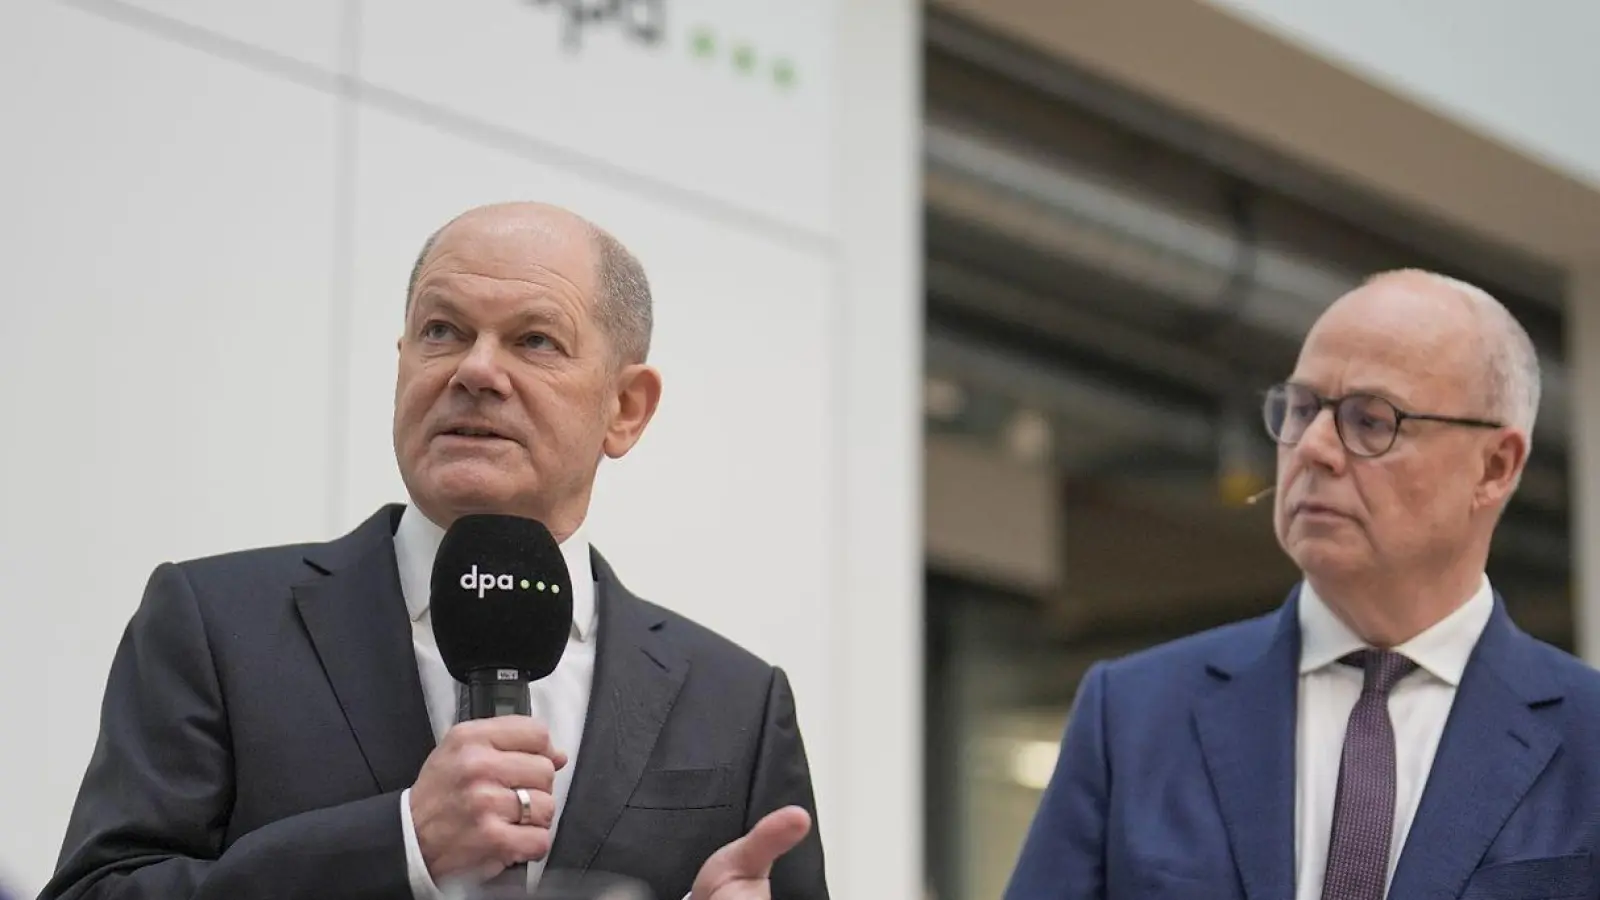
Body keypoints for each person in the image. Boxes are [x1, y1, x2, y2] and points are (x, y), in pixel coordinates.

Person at [42, 202, 828, 900]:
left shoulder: (739, 706)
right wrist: (400, 844)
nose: (477, 370)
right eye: (442, 331)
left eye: (534, 340)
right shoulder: (216, 625)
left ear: (625, 408)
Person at [1005, 269, 1600, 900]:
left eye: (1372, 421)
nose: (1314, 447)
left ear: (1495, 467)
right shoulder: (1132, 718)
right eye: (1302, 408)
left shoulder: (1588, 739)